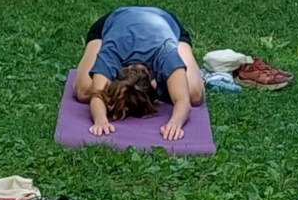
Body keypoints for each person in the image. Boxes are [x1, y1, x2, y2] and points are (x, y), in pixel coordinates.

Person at [73, 7, 205, 142]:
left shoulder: (166, 52)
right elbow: (97, 95)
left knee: (194, 94)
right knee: (83, 92)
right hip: (111, 24)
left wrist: (175, 123)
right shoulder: (111, 52)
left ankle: (183, 66)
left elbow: (184, 102)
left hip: (164, 20)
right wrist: (100, 119)